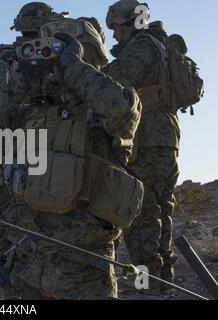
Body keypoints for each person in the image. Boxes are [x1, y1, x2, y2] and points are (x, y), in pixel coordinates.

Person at [0, 13, 143, 298]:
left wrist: (73, 66)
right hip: (25, 265)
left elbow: (121, 111)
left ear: (90, 56)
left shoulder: (108, 106)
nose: (53, 61)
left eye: (61, 52)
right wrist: (20, 76)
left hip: (83, 272)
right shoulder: (31, 110)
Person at [0, 2, 60, 291]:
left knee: (6, 227)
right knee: (7, 227)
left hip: (34, 154)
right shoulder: (12, 58)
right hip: (23, 156)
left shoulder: (51, 54)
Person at [103, 0, 182, 292]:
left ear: (132, 23)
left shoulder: (139, 48)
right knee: (161, 209)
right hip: (166, 138)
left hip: (146, 140)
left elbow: (111, 83)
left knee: (140, 215)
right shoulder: (159, 45)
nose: (114, 36)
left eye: (118, 28)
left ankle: (146, 285)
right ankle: (163, 282)